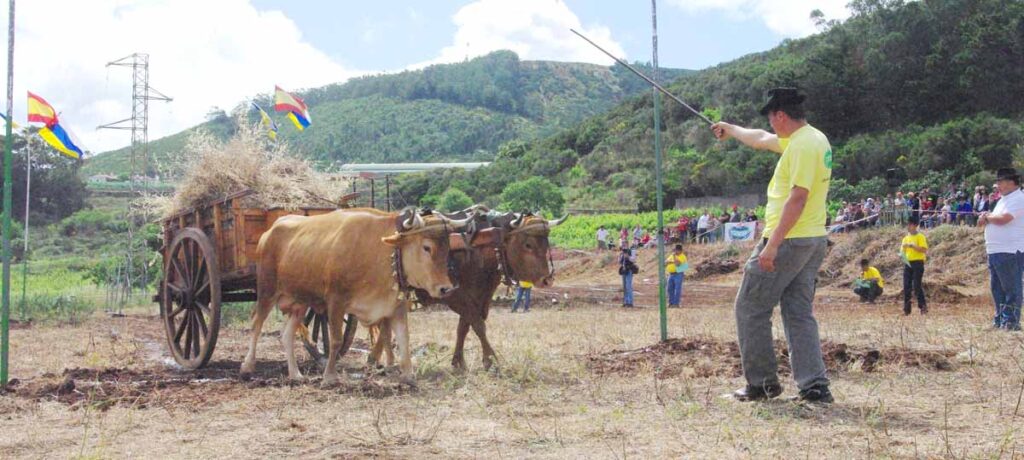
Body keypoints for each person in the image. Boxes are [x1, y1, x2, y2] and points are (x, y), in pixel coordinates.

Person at [712, 87, 833, 404]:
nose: (770, 124)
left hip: (789, 240)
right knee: (798, 313)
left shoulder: (803, 146)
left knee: (750, 307)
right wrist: (731, 129)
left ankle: (762, 384)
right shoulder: (810, 139)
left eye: (771, 117)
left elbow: (798, 198)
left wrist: (771, 246)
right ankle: (814, 386)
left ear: (780, 115)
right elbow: (762, 139)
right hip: (811, 238)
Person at [978, 168, 1024, 331]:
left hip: (1010, 250)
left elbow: (1004, 219)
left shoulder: (1018, 198)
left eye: (1000, 181)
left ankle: (1011, 321)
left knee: (1011, 288)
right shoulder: (1003, 200)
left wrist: (986, 217)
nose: (997, 185)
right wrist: (988, 217)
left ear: (1011, 182)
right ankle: (1001, 319)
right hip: (997, 250)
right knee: (997, 288)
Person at [901, 218, 928, 315]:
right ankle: (906, 309)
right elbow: (902, 252)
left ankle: (923, 306)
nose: (908, 226)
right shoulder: (905, 238)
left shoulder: (920, 237)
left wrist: (913, 246)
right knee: (906, 286)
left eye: (909, 224)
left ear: (915, 225)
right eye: (907, 224)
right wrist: (903, 257)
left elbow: (924, 250)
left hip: (918, 263)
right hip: (908, 264)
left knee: (916, 286)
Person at [665, 244, 688, 308]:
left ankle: (676, 304)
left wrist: (673, 259)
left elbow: (678, 264)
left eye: (676, 250)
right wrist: (672, 261)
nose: (675, 251)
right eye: (674, 250)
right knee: (669, 289)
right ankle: (671, 303)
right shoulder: (672, 255)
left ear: (680, 250)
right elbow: (666, 262)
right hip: (671, 274)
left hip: (678, 274)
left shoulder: (682, 256)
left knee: (677, 289)